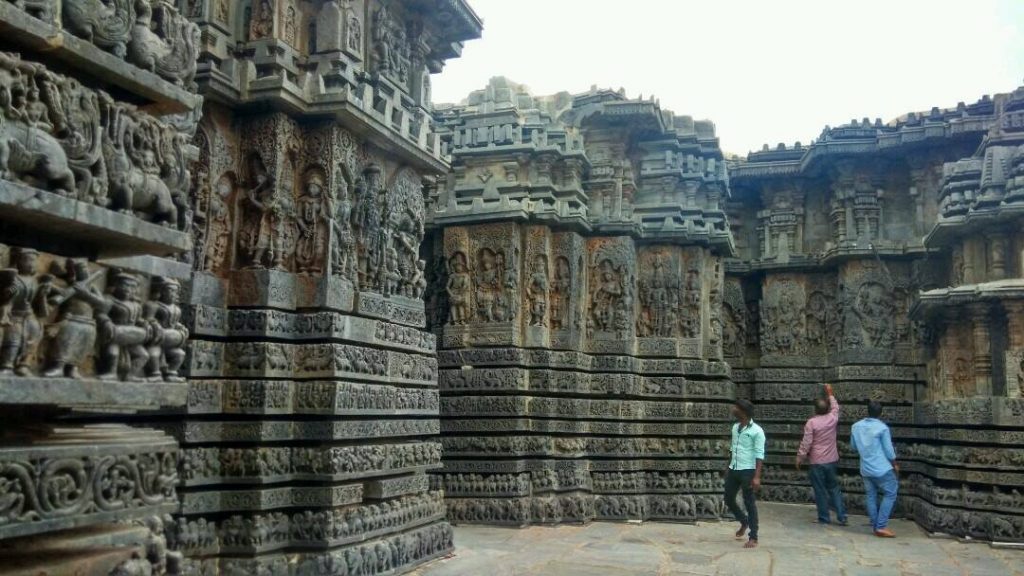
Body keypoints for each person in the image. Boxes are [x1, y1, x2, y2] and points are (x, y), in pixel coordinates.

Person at [796, 383, 847, 526]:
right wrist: (830, 393)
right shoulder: (833, 418)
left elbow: (806, 442)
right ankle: (842, 516)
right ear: (827, 409)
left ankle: (824, 518)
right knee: (834, 488)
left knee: (820, 490)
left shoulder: (811, 423)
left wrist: (800, 457)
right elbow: (836, 407)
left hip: (816, 462)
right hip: (831, 460)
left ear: (815, 410)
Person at [851, 400, 899, 538]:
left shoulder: (856, 426)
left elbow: (854, 447)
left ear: (867, 411)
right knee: (891, 493)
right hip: (881, 468)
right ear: (881, 413)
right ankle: (881, 526)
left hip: (866, 467)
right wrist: (895, 464)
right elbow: (889, 451)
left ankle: (875, 522)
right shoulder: (882, 428)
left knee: (871, 495)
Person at [724, 399, 765, 548]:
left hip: (748, 470)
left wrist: (757, 477)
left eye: (736, 407)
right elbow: (732, 448)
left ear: (743, 411)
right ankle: (744, 521)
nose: (733, 409)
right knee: (728, 498)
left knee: (749, 502)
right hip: (734, 468)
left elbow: (760, 455)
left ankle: (753, 536)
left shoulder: (757, 431)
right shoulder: (735, 428)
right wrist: (728, 466)